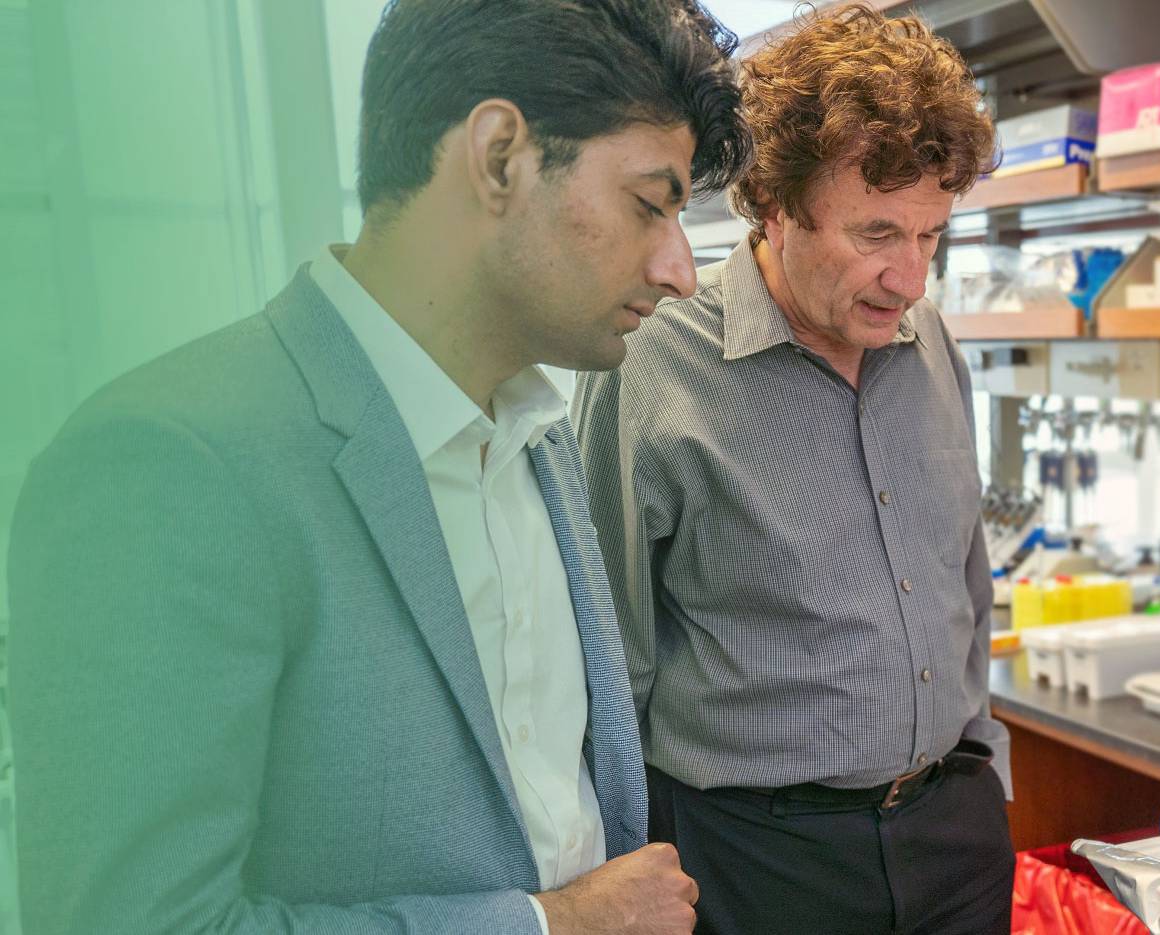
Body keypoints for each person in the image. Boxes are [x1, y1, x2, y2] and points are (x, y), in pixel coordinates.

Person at [6, 1, 750, 933]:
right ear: (497, 156)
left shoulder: (540, 434)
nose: (682, 269)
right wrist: (551, 923)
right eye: (651, 205)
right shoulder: (169, 463)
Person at [572, 5, 1010, 934]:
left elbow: (966, 581)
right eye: (877, 233)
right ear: (773, 204)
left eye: (932, 236)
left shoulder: (932, 342)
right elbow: (608, 659)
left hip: (954, 836)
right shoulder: (653, 360)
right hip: (761, 861)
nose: (911, 279)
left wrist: (986, 773)